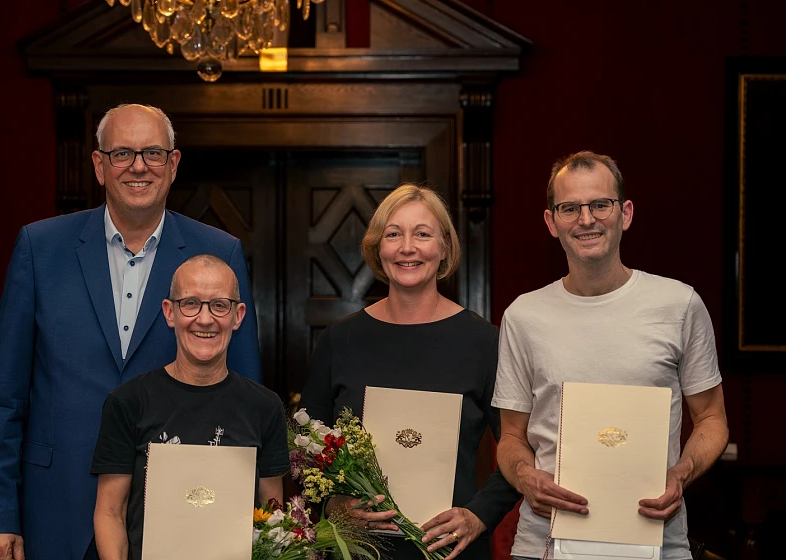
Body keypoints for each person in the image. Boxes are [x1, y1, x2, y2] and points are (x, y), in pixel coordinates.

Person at [0, 104, 262, 560]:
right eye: (122, 153)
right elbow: (5, 395)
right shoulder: (40, 248)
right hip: (55, 508)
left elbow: (245, 396)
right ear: (99, 165)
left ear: (174, 164)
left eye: (152, 152)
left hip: (181, 514)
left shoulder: (218, 251)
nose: (138, 166)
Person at [493, 151, 728, 560]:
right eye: (570, 208)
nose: (586, 220)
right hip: (544, 545)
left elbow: (712, 419)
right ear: (552, 222)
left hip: (657, 542)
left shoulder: (679, 305)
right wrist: (526, 477)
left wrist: (681, 473)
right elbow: (511, 437)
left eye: (601, 204)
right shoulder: (523, 316)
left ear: (626, 214)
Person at [299, 184, 521, 560]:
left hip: (451, 550)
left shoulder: (484, 342)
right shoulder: (340, 340)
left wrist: (479, 516)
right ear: (377, 248)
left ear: (444, 247)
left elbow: (520, 450)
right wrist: (334, 505)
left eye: (422, 233)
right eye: (393, 234)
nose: (407, 247)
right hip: (358, 550)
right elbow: (306, 453)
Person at [91, 254, 288, 560]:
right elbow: (109, 513)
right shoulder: (128, 402)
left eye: (219, 305)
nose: (205, 319)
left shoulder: (265, 407)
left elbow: (274, 517)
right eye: (191, 303)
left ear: (238, 316)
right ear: (170, 313)